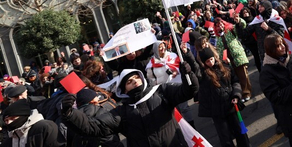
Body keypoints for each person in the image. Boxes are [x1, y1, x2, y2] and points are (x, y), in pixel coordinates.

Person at [61, 64, 198, 147]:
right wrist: (70, 114)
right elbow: (94, 126)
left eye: (136, 77)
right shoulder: (121, 111)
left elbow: (188, 91)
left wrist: (188, 74)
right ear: (124, 90)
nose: (134, 81)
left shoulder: (161, 91)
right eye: (129, 81)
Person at [197, 47, 250, 147]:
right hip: (217, 112)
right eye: (207, 61)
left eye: (211, 59)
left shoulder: (224, 66)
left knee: (240, 133)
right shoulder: (203, 75)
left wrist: (236, 95)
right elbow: (195, 75)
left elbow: (235, 82)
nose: (210, 62)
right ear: (204, 63)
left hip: (231, 106)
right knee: (225, 138)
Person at [214, 17, 252, 102]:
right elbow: (220, 50)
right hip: (229, 61)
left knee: (243, 76)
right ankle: (241, 93)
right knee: (236, 78)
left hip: (238, 57)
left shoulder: (230, 30)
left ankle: (247, 93)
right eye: (217, 26)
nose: (220, 26)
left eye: (221, 24)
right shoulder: (218, 38)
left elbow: (243, 24)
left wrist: (238, 20)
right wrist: (222, 60)